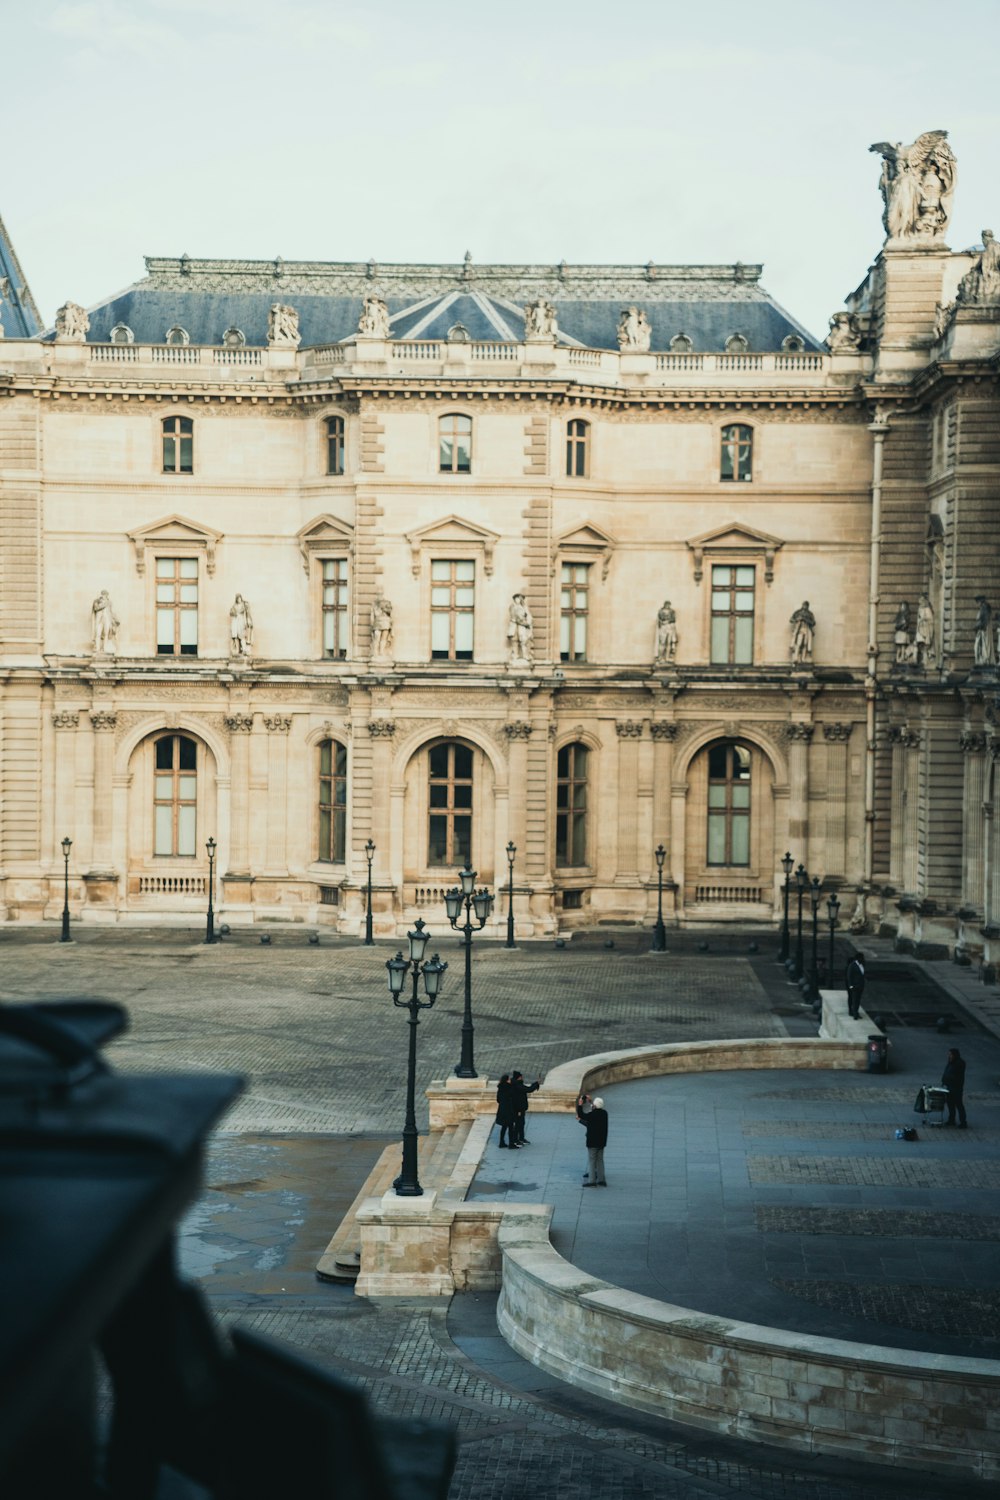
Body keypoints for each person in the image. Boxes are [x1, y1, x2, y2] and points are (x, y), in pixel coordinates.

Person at [579, 1095, 608, 1186]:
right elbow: (596, 1108)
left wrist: (580, 1105)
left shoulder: (592, 1115)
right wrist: (591, 1101)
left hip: (592, 1142)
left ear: (594, 1106)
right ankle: (601, 1180)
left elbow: (582, 1115)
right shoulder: (604, 1114)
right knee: (600, 1160)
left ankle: (592, 1181)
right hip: (601, 1142)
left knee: (592, 1161)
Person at [941, 1047, 967, 1128]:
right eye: (949, 1054)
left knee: (959, 1105)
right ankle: (951, 1120)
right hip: (950, 1087)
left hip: (956, 1088)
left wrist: (948, 1079)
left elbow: (955, 1076)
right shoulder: (951, 1062)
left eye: (951, 1054)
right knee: (950, 1104)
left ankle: (963, 1122)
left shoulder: (959, 1063)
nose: (949, 1056)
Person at [511, 1070, 539, 1144]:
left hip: (519, 1108)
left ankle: (521, 1138)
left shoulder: (515, 1084)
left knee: (521, 1123)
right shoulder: (517, 1085)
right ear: (519, 1077)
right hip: (518, 1109)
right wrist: (535, 1084)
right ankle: (516, 1140)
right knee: (518, 1124)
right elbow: (528, 1089)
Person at [495, 1073, 518, 1148]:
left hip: (502, 1110)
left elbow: (498, 1100)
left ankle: (501, 1142)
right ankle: (511, 1143)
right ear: (507, 1080)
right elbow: (513, 1097)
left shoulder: (500, 1088)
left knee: (504, 1127)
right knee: (511, 1127)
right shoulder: (510, 1088)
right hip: (509, 1110)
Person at [845, 952, 866, 1019]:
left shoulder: (862, 965)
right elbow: (849, 976)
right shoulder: (852, 965)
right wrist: (851, 986)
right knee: (854, 999)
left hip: (860, 986)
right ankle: (855, 1014)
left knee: (858, 1000)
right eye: (862, 958)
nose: (863, 959)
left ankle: (856, 1012)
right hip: (855, 986)